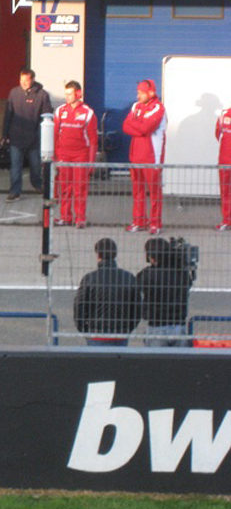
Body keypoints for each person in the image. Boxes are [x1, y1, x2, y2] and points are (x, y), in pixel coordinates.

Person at [73, 238, 141, 346]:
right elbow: (137, 308)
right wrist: (127, 328)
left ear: (98, 255)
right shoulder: (129, 278)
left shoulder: (89, 278)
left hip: (96, 333)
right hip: (120, 333)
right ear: (115, 255)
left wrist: (84, 329)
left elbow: (79, 306)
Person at [123, 79, 167, 234]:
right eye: (138, 92)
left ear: (151, 93)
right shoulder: (136, 106)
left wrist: (138, 127)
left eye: (141, 92)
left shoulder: (158, 108)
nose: (138, 95)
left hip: (152, 157)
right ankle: (139, 221)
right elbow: (126, 126)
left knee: (154, 192)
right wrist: (139, 128)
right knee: (137, 191)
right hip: (135, 156)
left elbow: (147, 128)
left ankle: (155, 223)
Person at [1, 68, 51, 201]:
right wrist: (4, 135)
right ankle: (15, 191)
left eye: (26, 80)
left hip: (34, 138)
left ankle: (37, 184)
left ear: (33, 80)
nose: (23, 83)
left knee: (35, 165)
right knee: (15, 166)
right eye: (21, 80)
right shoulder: (14, 93)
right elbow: (8, 115)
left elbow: (47, 116)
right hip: (16, 138)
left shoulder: (42, 95)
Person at [53, 81, 97, 229]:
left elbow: (93, 141)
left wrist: (91, 163)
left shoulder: (88, 113)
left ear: (78, 94)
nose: (67, 97)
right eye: (65, 94)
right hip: (64, 156)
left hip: (80, 156)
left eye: (70, 94)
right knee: (64, 188)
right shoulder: (59, 111)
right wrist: (55, 156)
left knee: (80, 188)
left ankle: (80, 218)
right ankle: (65, 217)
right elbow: (55, 137)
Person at [136, 237, 194, 346]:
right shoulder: (182, 273)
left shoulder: (147, 274)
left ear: (152, 257)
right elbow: (189, 284)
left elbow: (136, 287)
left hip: (156, 326)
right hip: (179, 325)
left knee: (157, 362)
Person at [215, 104, 231, 231]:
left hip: (225, 159)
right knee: (225, 191)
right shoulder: (224, 114)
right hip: (224, 160)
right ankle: (226, 220)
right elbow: (218, 134)